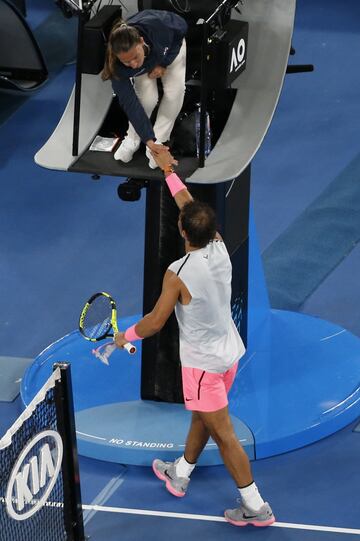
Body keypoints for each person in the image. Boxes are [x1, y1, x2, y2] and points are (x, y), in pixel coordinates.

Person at [114, 150, 275, 528]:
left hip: (202, 365)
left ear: (183, 232)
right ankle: (181, 473)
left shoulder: (178, 273)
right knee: (205, 417)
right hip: (229, 355)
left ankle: (255, 505)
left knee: (224, 435)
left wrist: (125, 336)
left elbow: (155, 322)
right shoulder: (219, 246)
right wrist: (169, 170)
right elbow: (188, 204)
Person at [102, 10, 187, 169]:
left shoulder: (159, 28)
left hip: (168, 49)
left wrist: (164, 63)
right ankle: (133, 139)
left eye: (135, 57)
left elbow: (181, 28)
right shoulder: (116, 67)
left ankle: (160, 141)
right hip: (148, 61)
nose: (133, 64)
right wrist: (149, 140)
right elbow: (131, 105)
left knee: (174, 92)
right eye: (127, 62)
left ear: (141, 42)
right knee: (147, 99)